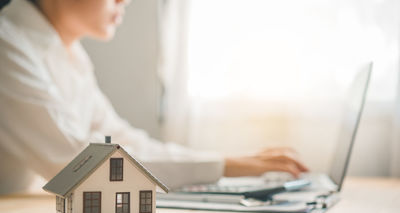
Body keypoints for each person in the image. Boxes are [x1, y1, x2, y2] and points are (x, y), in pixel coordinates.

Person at [0, 0, 308, 194]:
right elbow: (77, 165)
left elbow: (122, 142)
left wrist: (227, 163)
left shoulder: (71, 56)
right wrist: (225, 166)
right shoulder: (6, 44)